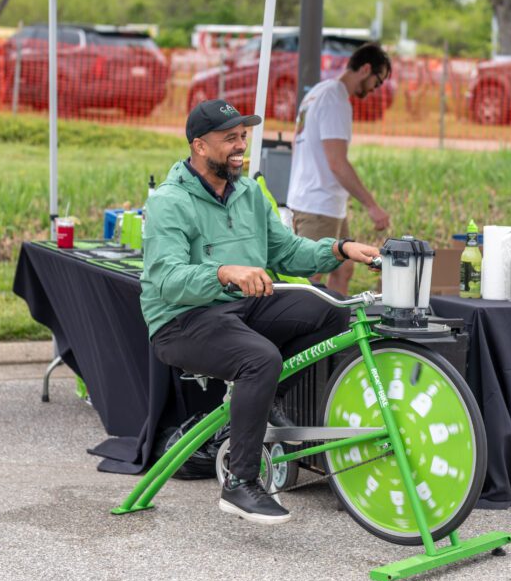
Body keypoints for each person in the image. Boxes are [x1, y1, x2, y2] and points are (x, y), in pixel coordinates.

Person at [140, 99, 379, 524]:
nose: (241, 145)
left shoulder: (249, 191)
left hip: (241, 307)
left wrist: (340, 249)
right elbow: (166, 279)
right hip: (181, 320)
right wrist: (225, 273)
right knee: (259, 358)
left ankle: (267, 400)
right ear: (199, 146)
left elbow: (286, 251)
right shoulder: (168, 201)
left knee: (330, 311)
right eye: (229, 138)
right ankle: (240, 483)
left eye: (243, 136)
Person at [286, 42, 391, 295]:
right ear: (366, 69)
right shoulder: (336, 100)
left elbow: (296, 142)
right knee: (309, 278)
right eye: (378, 81)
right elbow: (337, 163)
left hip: (316, 200)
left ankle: (337, 322)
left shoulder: (318, 92)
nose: (377, 89)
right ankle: (305, 331)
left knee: (343, 269)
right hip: (318, 204)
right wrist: (372, 205)